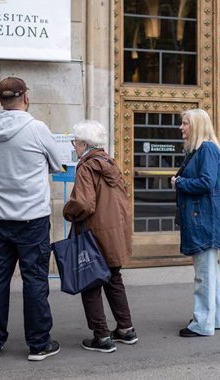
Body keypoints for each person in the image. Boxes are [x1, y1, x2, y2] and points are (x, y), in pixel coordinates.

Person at [0, 77, 63, 361]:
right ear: (26, 98)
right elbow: (57, 163)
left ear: (0, 100)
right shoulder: (36, 128)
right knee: (34, 280)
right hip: (32, 218)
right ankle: (38, 344)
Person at [63, 120, 137, 353]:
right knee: (114, 279)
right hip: (113, 232)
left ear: (84, 143)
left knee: (90, 283)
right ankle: (126, 329)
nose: (74, 146)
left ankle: (102, 337)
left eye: (75, 142)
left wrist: (68, 210)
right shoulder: (109, 162)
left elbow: (83, 203)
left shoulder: (86, 167)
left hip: (94, 234)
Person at [170, 108, 220, 337]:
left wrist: (180, 182)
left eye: (185, 123)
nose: (181, 128)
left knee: (203, 275)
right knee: (209, 273)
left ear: (196, 126)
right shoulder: (203, 149)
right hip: (204, 220)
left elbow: (206, 182)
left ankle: (202, 323)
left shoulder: (206, 149)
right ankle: (213, 319)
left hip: (204, 222)